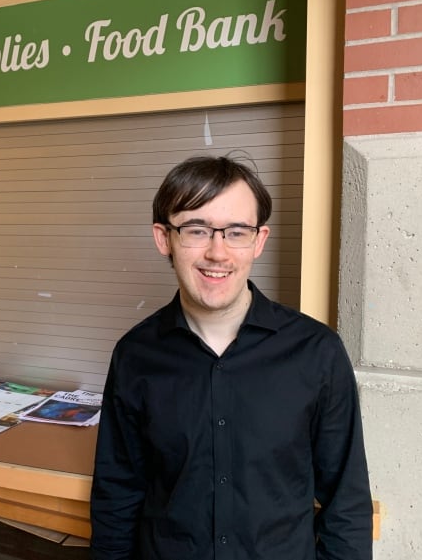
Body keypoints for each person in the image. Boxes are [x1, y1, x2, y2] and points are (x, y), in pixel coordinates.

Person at [90, 154, 373, 560]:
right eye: (196, 229)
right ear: (163, 238)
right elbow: (117, 494)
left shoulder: (317, 352)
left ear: (259, 240)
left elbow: (346, 504)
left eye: (236, 232)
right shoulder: (135, 355)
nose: (217, 253)